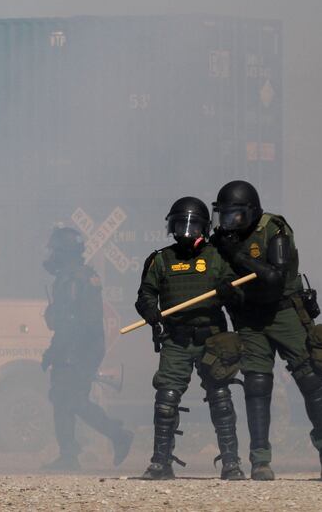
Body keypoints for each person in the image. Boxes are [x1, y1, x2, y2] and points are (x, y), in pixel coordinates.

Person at [211, 180, 322, 481]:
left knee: (310, 378)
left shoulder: (274, 230)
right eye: (224, 217)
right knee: (256, 384)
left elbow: (274, 281)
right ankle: (260, 459)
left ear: (252, 212)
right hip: (250, 318)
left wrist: (238, 256)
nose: (229, 225)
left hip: (282, 312)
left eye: (235, 217)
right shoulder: (221, 242)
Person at [135, 197, 244, 480]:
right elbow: (145, 294)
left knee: (220, 396)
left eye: (192, 226)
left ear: (204, 229)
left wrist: (229, 290)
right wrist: (150, 311)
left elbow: (241, 294)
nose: (185, 232)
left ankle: (231, 462)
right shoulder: (160, 259)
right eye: (180, 225)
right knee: (166, 398)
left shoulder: (218, 257)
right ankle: (161, 461)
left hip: (211, 339)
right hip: (177, 338)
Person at [40, 226, 133, 471]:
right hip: (70, 349)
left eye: (56, 250)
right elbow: (63, 324)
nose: (52, 255)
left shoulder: (78, 278)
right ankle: (69, 455)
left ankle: (117, 434)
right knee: (61, 399)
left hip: (79, 350)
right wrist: (53, 352)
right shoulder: (68, 278)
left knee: (73, 400)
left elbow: (80, 323)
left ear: (65, 252)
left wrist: (69, 354)